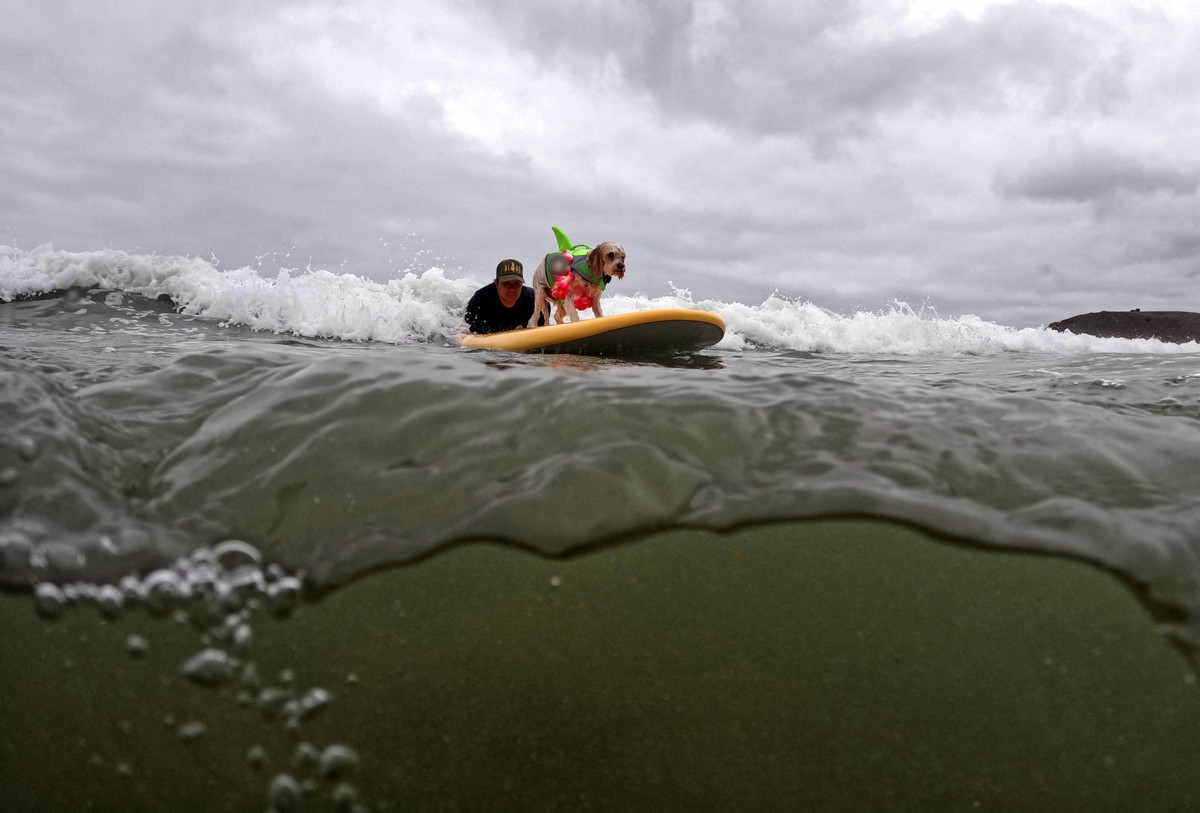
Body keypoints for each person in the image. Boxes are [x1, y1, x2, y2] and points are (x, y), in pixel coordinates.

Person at [463, 259, 543, 334]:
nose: (512, 289)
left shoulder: (533, 299)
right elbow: (466, 329)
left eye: (517, 284)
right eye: (507, 283)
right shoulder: (481, 299)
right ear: (497, 283)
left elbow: (542, 328)